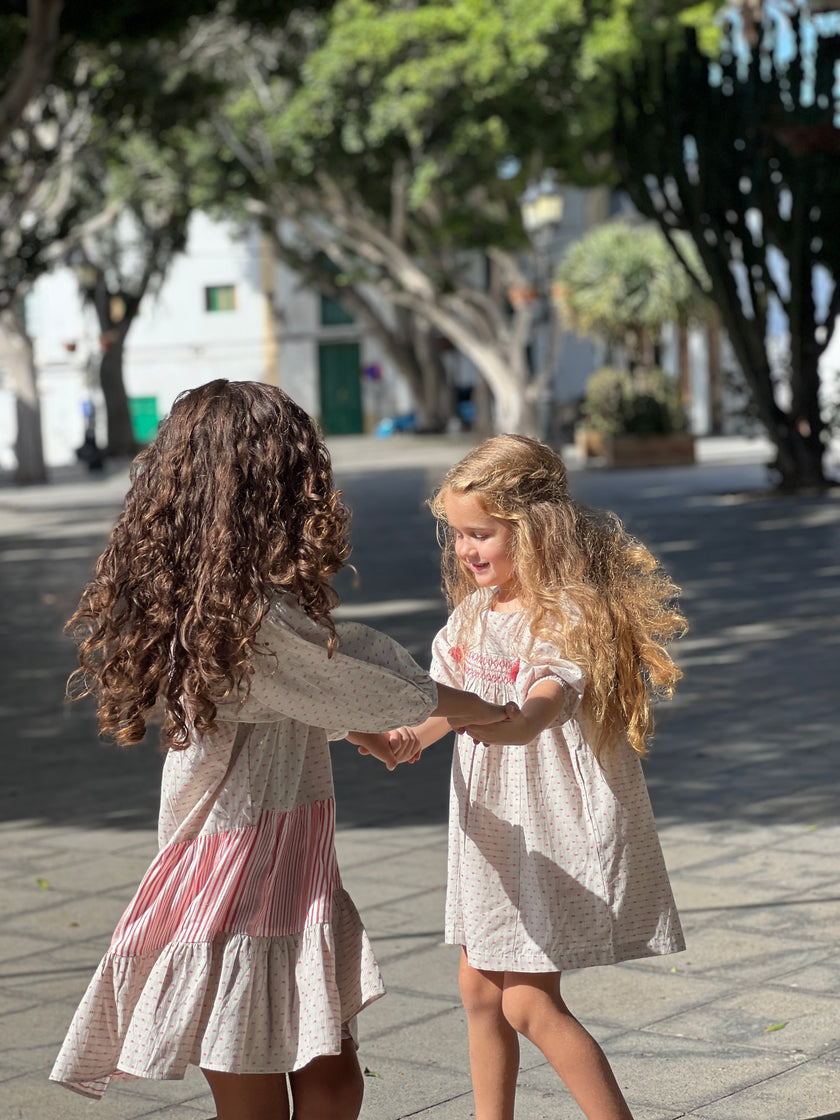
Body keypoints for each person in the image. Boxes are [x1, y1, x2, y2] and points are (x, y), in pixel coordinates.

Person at [50, 380, 514, 1120]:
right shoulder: (246, 616)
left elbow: (295, 700)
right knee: (281, 1090)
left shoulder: (218, 598)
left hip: (279, 856)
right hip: (240, 866)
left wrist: (356, 728)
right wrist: (488, 709)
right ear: (265, 488)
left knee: (325, 1076)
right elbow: (360, 676)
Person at [351, 434, 687, 1120]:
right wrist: (404, 739)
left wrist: (521, 724)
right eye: (457, 535)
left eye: (481, 534)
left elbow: (548, 693)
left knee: (528, 1002)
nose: (465, 549)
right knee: (479, 989)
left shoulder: (565, 614)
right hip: (494, 829)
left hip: (548, 827)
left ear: (533, 531)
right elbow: (446, 702)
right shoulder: (473, 615)